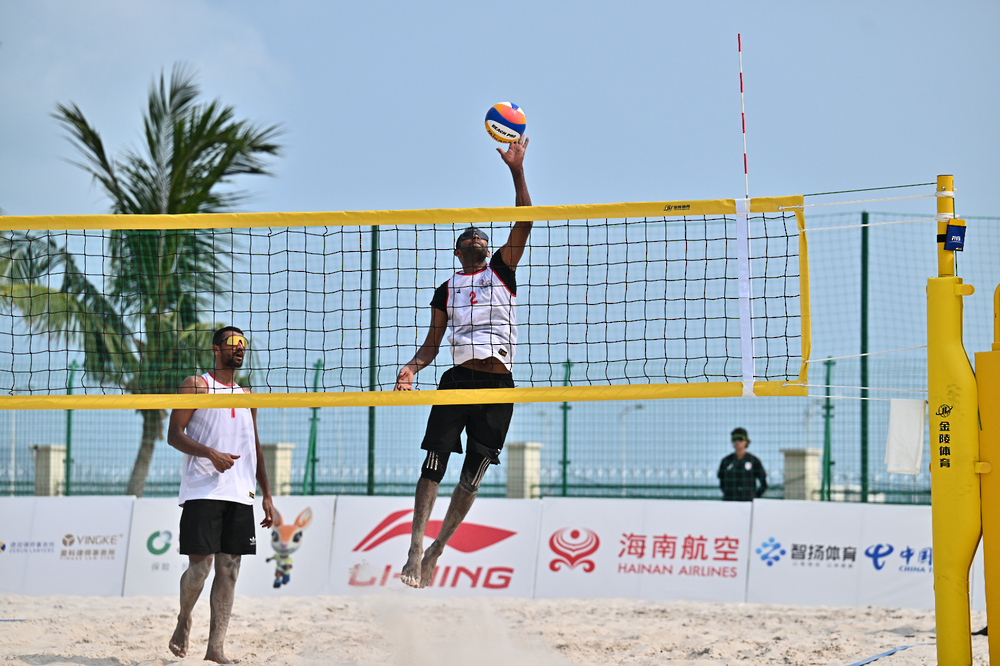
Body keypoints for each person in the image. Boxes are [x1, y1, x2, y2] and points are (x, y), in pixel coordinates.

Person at [395, 135, 532, 589]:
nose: (475, 235)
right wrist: (411, 368)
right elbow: (431, 346)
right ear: (457, 251)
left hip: (497, 384)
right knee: (433, 464)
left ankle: (437, 549)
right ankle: (415, 547)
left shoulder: (502, 271)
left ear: (487, 248)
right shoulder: (447, 288)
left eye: (481, 235)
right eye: (467, 236)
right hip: (457, 380)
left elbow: (525, 220)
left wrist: (516, 170)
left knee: (473, 475)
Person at [166, 326, 274, 664]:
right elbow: (174, 435)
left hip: (240, 492)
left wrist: (267, 494)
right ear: (216, 349)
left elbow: (254, 446)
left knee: (229, 569)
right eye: (233, 342)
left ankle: (216, 649)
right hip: (203, 489)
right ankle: (184, 618)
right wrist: (209, 453)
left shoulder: (247, 394)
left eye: (243, 343)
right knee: (200, 569)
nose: (240, 347)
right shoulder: (197, 385)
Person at [717, 426, 768, 501]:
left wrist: (754, 497)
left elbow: (764, 484)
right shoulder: (726, 461)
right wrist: (729, 494)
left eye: (740, 439)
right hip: (729, 502)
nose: (737, 442)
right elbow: (722, 483)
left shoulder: (754, 461)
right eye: (734, 439)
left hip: (748, 502)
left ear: (746, 441)